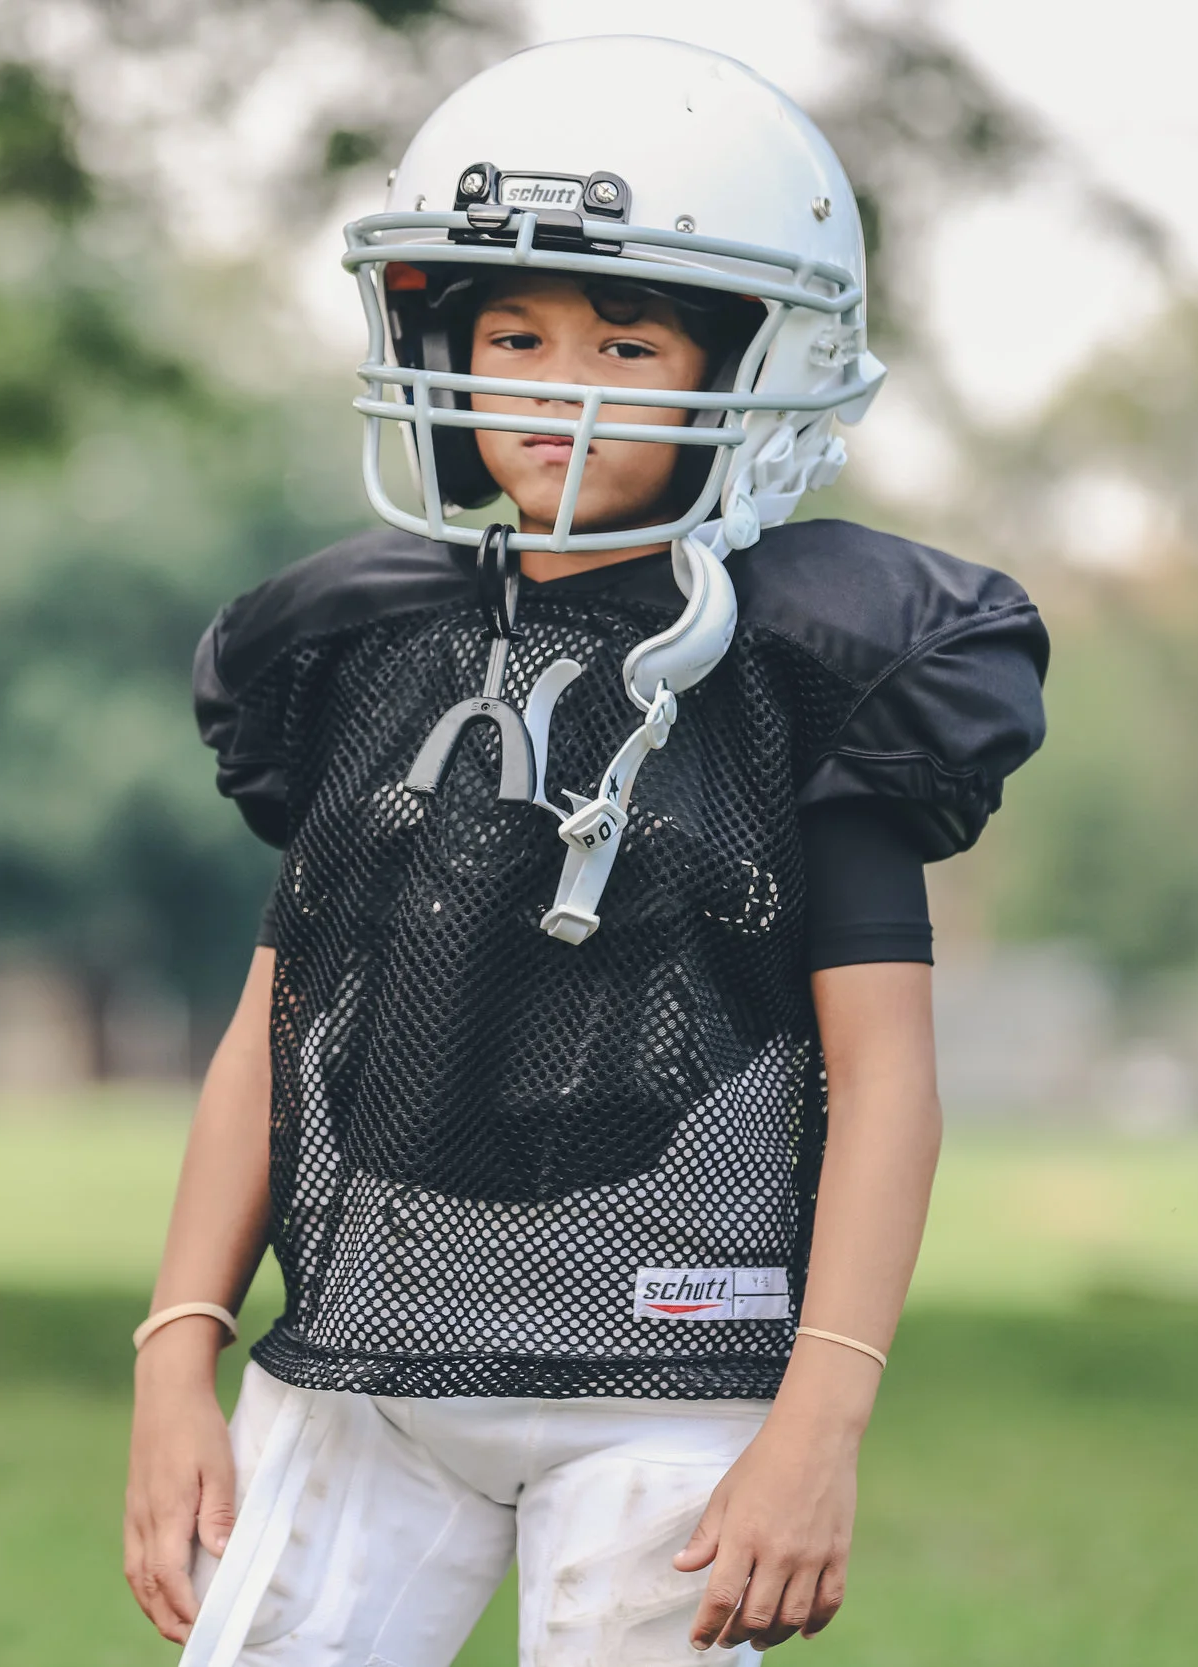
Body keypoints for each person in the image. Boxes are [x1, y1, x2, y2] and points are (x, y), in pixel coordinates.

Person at [125, 36, 1047, 1666]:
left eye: (627, 338)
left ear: (750, 363)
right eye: (514, 333)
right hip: (369, 1367)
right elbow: (275, 1034)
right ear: (438, 340)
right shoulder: (371, 648)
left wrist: (821, 1422)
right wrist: (173, 1350)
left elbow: (884, 1074)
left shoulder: (800, 667)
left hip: (673, 1386)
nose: (562, 382)